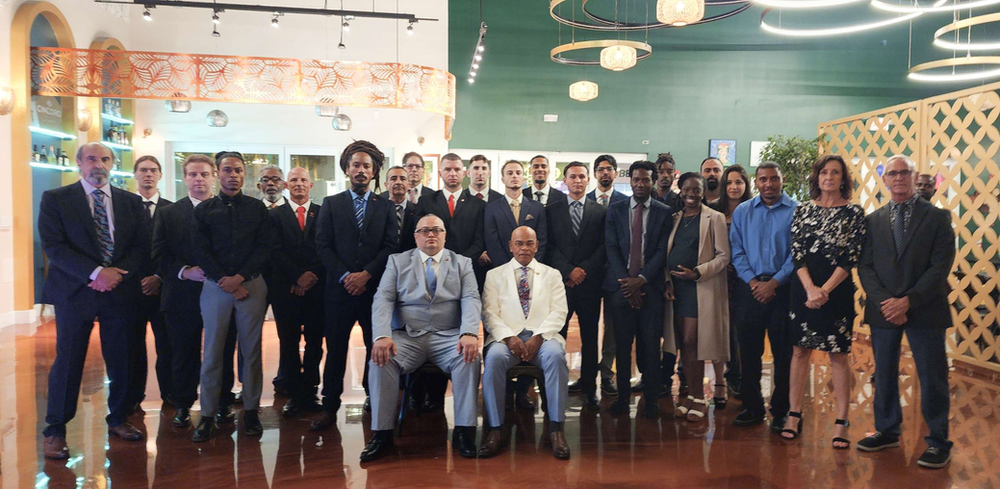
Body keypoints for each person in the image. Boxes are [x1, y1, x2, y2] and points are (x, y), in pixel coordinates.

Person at [38, 142, 150, 460]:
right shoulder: (56, 199)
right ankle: (55, 430)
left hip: (119, 292)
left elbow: (142, 247)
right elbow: (54, 246)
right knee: (69, 361)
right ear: (78, 163)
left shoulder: (131, 202)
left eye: (104, 159)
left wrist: (116, 275)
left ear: (113, 164)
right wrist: (96, 272)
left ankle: (119, 418)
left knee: (122, 359)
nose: (97, 164)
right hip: (75, 292)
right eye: (91, 159)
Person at [857, 154, 955, 469]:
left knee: (932, 377)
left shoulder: (938, 218)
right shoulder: (872, 221)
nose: (899, 178)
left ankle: (938, 441)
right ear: (884, 180)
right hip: (883, 309)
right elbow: (866, 266)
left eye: (905, 173)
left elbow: (940, 267)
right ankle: (887, 430)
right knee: (883, 373)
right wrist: (887, 301)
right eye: (893, 173)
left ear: (915, 177)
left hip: (925, 308)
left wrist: (908, 300)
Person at [361, 215, 482, 462]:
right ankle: (382, 434)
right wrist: (383, 335)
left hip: (448, 336)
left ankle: (464, 432)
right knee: (380, 359)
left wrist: (469, 332)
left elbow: (471, 298)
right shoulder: (397, 261)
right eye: (424, 230)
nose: (431, 235)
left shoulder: (462, 263)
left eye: (437, 230)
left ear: (445, 235)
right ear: (415, 236)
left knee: (469, 357)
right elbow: (383, 298)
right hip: (408, 336)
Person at [312, 140, 398, 431]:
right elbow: (322, 245)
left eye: (366, 166)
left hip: (373, 292)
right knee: (335, 350)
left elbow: (390, 246)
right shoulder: (331, 204)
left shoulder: (385, 206)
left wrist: (366, 275)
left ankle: (373, 397)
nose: (360, 170)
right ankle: (328, 407)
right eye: (355, 165)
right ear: (347, 169)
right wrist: (346, 276)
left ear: (374, 172)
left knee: (375, 348)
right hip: (338, 292)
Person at [190, 151, 275, 442]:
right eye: (227, 170)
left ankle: (251, 411)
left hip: (251, 285)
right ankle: (207, 415)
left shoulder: (256, 208)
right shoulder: (203, 210)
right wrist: (226, 280)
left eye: (239, 170)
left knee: (251, 352)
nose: (233, 175)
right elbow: (200, 250)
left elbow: (265, 248)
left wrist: (240, 278)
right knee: (212, 351)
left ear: (244, 175)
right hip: (216, 286)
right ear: (218, 173)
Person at [781, 155, 866, 447]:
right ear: (816, 178)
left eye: (835, 172)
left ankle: (842, 420)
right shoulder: (803, 210)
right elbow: (797, 252)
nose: (828, 177)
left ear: (843, 178)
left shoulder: (854, 213)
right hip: (803, 291)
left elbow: (850, 256)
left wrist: (824, 290)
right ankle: (793, 414)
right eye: (824, 172)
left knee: (838, 356)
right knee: (799, 352)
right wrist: (810, 289)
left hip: (837, 292)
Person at [152, 154, 239, 429]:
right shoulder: (168, 214)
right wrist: (184, 271)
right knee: (183, 352)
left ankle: (222, 402)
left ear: (214, 176)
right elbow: (158, 254)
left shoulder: (230, 210)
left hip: (222, 293)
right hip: (181, 294)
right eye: (192, 175)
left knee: (223, 351)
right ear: (184, 178)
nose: (198, 179)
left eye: (204, 174)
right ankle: (182, 404)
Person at [480, 226, 571, 459]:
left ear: (537, 246)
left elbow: (560, 312)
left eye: (529, 243)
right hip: (506, 337)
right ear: (511, 246)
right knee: (494, 358)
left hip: (543, 336)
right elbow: (489, 313)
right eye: (519, 243)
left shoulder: (552, 274)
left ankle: (556, 429)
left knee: (556, 356)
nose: (524, 248)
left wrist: (539, 337)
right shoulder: (494, 275)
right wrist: (509, 337)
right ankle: (496, 429)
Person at [729, 161, 797, 430]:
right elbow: (736, 250)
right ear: (755, 182)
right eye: (762, 179)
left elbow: (798, 253)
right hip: (750, 290)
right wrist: (754, 282)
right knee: (748, 352)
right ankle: (752, 406)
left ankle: (781, 410)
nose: (768, 184)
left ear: (782, 180)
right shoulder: (744, 211)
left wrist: (776, 282)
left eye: (773, 178)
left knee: (784, 355)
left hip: (784, 291)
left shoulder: (797, 211)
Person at [416, 154, 486, 411]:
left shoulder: (477, 204)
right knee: (435, 330)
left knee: (459, 334)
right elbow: (424, 237)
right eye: (448, 169)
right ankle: (432, 396)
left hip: (466, 274)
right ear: (440, 173)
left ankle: (460, 400)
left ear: (464, 172)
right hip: (432, 277)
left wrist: (457, 264)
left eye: (457, 169)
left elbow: (480, 240)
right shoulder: (428, 201)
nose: (453, 173)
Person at [605, 161, 672, 419]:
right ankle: (622, 397)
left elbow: (661, 251)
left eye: (645, 180)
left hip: (650, 290)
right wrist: (627, 283)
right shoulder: (616, 209)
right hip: (621, 289)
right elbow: (611, 248)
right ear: (630, 180)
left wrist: (641, 280)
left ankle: (652, 400)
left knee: (650, 346)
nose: (640, 184)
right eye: (636, 179)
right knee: (622, 347)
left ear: (653, 181)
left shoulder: (664, 212)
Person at [663, 173, 731, 422]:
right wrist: (668, 282)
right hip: (676, 292)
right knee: (682, 344)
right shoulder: (675, 219)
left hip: (699, 289)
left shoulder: (715, 218)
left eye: (696, 190)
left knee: (693, 343)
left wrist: (697, 273)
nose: (691, 194)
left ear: (703, 192)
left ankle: (701, 398)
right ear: (679, 190)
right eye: (687, 189)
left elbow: (723, 256)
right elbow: (667, 253)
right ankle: (690, 396)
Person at [546, 162, 606, 411]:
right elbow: (548, 245)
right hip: (561, 285)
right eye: (573, 176)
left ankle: (590, 386)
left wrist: (584, 270)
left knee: (590, 338)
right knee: (556, 336)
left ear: (588, 179)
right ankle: (556, 383)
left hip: (589, 285)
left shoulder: (600, 211)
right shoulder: (551, 209)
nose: (578, 181)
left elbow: (603, 246)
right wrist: (568, 270)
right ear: (565, 180)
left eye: (582, 176)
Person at [269, 167, 326, 416]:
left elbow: (326, 248)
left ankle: (311, 390)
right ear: (285, 185)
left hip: (317, 290)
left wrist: (310, 277)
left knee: (315, 343)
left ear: (311, 185)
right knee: (288, 343)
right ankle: (293, 392)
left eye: (304, 180)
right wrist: (296, 277)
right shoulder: (274, 216)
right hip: (286, 291)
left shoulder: (324, 214)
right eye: (294, 180)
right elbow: (273, 251)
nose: (299, 184)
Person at [127, 155, 173, 414]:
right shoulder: (124, 207)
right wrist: (140, 279)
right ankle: (133, 397)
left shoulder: (171, 208)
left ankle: (171, 394)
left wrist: (159, 277)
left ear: (160, 175)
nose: (148, 174)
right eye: (143, 170)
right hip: (132, 289)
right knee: (132, 347)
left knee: (166, 345)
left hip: (163, 289)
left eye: (153, 170)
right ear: (135, 174)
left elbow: (175, 249)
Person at [588, 154, 628, 397]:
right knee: (589, 328)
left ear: (615, 174)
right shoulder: (585, 199)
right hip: (590, 275)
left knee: (613, 327)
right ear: (595, 174)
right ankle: (587, 375)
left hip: (615, 275)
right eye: (600, 169)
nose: (605, 173)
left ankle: (607, 374)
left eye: (609, 169)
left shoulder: (625, 202)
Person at [712, 164, 752, 402]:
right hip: (719, 277)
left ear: (746, 185)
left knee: (741, 328)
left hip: (746, 277)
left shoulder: (754, 209)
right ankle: (726, 376)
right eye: (729, 182)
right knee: (722, 329)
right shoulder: (714, 210)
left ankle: (741, 377)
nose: (734, 187)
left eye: (738, 182)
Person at [485, 160, 548, 268]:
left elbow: (541, 240)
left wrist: (531, 265)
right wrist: (507, 268)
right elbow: (492, 243)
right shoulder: (492, 208)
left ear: (523, 178)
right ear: (503, 179)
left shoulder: (537, 207)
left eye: (518, 173)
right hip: (503, 269)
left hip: (532, 267)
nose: (514, 176)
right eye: (510, 173)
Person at [386, 166, 419, 252]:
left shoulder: (417, 211)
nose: (398, 182)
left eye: (403, 179)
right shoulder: (378, 210)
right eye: (393, 179)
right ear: (386, 185)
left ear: (408, 185)